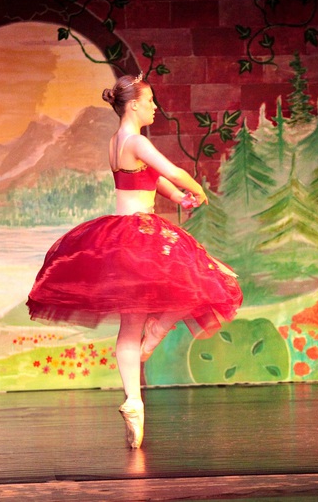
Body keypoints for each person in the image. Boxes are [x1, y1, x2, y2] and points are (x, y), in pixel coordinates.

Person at [26, 73, 243, 449]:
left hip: (121, 237)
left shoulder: (117, 142)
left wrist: (179, 197)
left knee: (132, 326)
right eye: (151, 101)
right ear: (134, 105)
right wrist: (197, 188)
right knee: (211, 282)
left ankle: (133, 402)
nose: (155, 107)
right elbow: (172, 171)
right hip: (140, 233)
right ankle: (158, 330)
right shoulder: (137, 140)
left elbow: (151, 179)